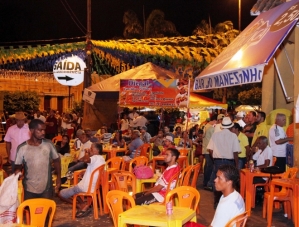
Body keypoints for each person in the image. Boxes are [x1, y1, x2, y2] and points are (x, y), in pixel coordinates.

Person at [14, 119, 61, 200]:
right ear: (31, 130)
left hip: (46, 187)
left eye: (44, 130)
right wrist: (17, 171)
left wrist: (59, 178)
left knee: (46, 211)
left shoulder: (48, 144)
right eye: (40, 130)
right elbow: (17, 166)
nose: (43, 132)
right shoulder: (22, 148)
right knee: (31, 211)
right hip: (29, 188)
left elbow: (56, 160)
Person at [58, 143, 105, 218]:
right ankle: (83, 204)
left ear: (97, 151)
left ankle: (80, 206)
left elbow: (85, 159)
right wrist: (85, 171)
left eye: (92, 148)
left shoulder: (95, 157)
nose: (90, 149)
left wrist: (87, 153)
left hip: (85, 187)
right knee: (75, 189)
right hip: (93, 187)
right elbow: (81, 160)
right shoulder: (101, 159)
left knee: (60, 193)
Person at [207, 117, 240, 208]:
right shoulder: (233, 136)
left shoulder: (215, 135)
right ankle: (228, 202)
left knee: (217, 181)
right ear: (230, 126)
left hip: (218, 161)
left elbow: (210, 149)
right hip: (229, 161)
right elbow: (235, 152)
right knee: (229, 182)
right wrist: (236, 165)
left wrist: (214, 159)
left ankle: (217, 201)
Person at [202, 115, 217, 189]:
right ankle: (207, 183)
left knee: (207, 166)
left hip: (205, 149)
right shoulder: (211, 128)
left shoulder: (205, 126)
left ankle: (205, 182)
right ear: (214, 120)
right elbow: (214, 140)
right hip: (209, 150)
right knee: (209, 167)